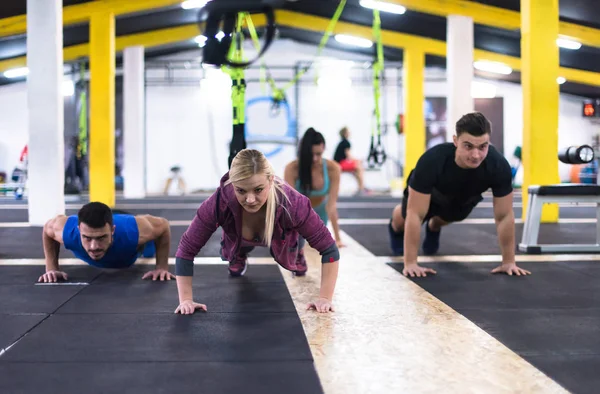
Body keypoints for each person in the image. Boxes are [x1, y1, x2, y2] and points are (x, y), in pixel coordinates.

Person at [174, 149, 340, 315]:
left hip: (282, 236)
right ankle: (238, 254)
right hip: (238, 235)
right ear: (232, 184)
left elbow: (329, 250)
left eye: (258, 190)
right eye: (241, 190)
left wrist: (325, 298)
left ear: (271, 180)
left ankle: (296, 251)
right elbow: (186, 249)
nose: (250, 199)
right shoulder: (219, 202)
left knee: (296, 246)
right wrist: (186, 300)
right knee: (234, 255)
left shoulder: (293, 203)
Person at [388, 112, 530, 278]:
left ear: (488, 142)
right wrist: (411, 263)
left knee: (453, 216)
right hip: (430, 192)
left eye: (482, 147)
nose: (476, 155)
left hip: (463, 196)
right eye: (468, 146)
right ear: (456, 141)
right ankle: (394, 227)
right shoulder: (432, 161)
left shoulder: (498, 166)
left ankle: (434, 226)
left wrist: (509, 262)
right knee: (405, 218)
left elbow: (504, 216)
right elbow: (415, 214)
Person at [38, 202, 174, 283]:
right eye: (87, 238)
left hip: (131, 249)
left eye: (101, 237)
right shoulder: (66, 231)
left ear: (112, 230)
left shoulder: (131, 232)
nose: (94, 246)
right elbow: (47, 229)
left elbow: (163, 225)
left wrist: (161, 267)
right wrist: (52, 268)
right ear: (79, 230)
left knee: (148, 249)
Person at [284, 128, 344, 269]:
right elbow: (289, 206)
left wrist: (338, 238)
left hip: (319, 216)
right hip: (297, 217)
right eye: (311, 155)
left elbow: (331, 205)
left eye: (319, 154)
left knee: (320, 253)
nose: (315, 159)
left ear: (324, 150)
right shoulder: (292, 168)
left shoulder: (333, 168)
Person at [333, 126, 366, 194]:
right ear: (345, 133)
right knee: (359, 166)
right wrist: (358, 160)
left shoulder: (342, 142)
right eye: (348, 132)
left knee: (357, 168)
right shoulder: (346, 142)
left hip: (338, 163)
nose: (350, 133)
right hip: (340, 164)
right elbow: (349, 156)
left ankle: (361, 187)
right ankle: (362, 188)